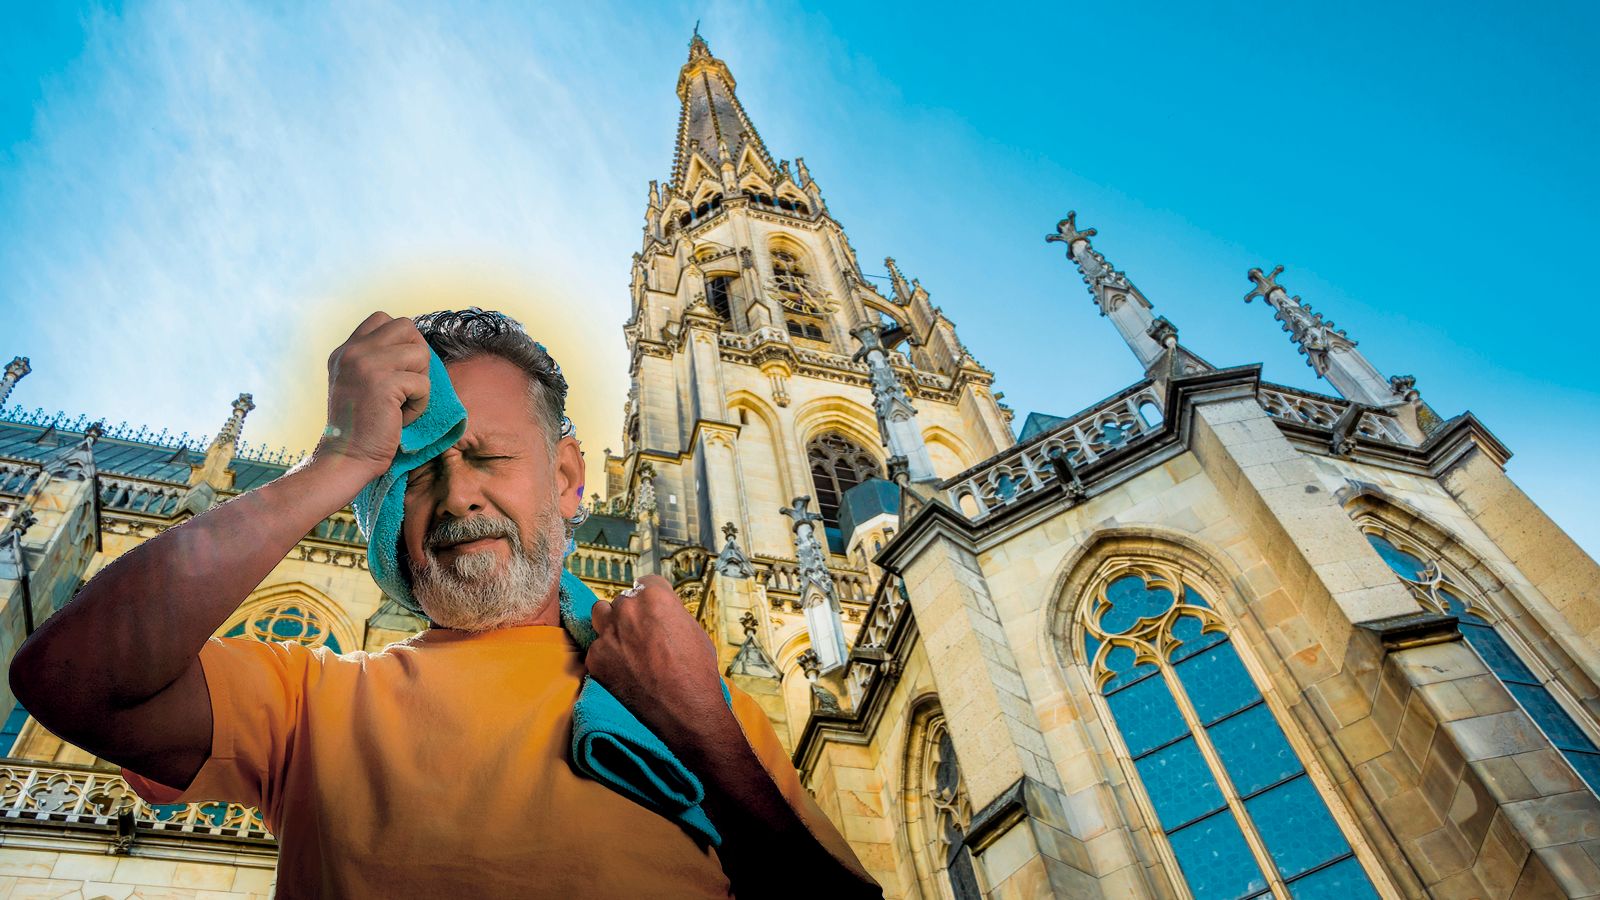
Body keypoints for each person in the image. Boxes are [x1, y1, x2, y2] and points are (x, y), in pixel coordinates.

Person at [10, 309, 879, 898]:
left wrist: (702, 729)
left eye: (490, 456)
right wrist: (345, 456)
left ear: (570, 477)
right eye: (418, 469)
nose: (458, 495)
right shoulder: (310, 699)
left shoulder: (700, 702)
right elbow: (70, 681)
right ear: (380, 509)